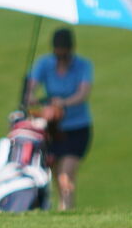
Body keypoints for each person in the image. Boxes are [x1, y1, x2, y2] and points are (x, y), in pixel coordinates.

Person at [21, 27, 94, 211]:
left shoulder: (83, 66)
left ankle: (67, 209)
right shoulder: (45, 64)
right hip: (53, 129)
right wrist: (31, 97)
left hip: (77, 128)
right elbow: (30, 88)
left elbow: (83, 93)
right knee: (56, 174)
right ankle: (64, 209)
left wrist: (63, 103)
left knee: (66, 172)